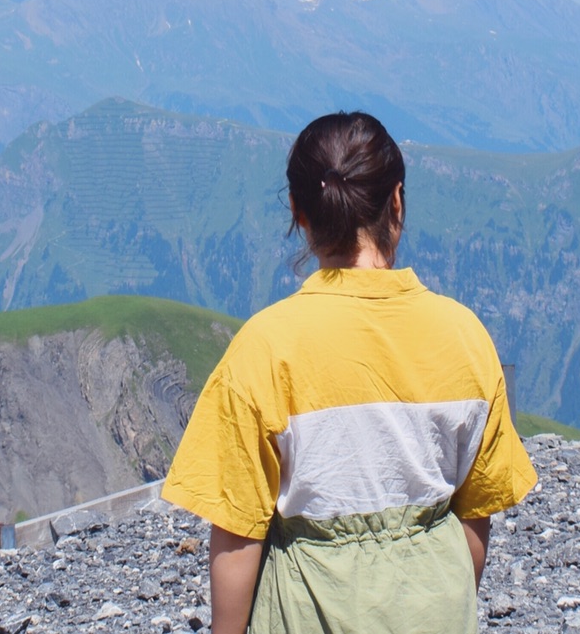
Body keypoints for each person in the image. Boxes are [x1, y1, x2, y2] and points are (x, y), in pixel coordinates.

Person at [161, 111, 538, 634]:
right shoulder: (465, 336)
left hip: (310, 610)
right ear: (397, 203)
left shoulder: (265, 348)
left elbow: (238, 532)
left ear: (299, 212)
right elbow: (477, 514)